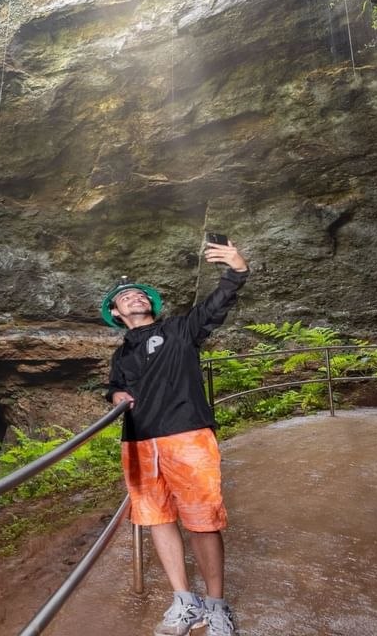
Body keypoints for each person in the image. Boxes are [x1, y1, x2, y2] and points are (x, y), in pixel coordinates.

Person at [100, 239, 249, 636]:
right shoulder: (121, 354)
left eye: (138, 294)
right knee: (157, 518)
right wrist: (114, 393)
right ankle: (185, 601)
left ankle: (216, 605)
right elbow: (116, 384)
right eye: (124, 297)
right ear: (115, 314)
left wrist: (236, 270)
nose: (133, 297)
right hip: (138, 442)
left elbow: (216, 304)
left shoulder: (180, 329)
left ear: (150, 305)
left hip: (187, 434)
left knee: (202, 521)